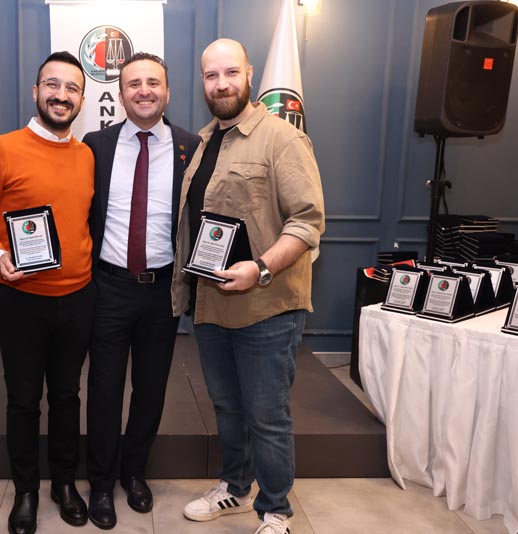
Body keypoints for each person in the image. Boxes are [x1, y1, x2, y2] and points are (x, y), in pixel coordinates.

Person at [173, 39, 325, 534]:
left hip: (267, 306)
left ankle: (276, 511)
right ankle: (236, 489)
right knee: (228, 408)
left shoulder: (282, 139)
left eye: (230, 73)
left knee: (267, 416)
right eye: (211, 75)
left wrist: (259, 268)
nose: (221, 84)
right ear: (202, 81)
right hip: (211, 305)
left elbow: (307, 222)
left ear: (250, 73)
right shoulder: (204, 143)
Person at [0, 51, 95, 534]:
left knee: (66, 397)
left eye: (72, 88)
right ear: (36, 92)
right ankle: (25, 491)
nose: (61, 95)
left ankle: (64, 483)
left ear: (82, 99)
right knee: (23, 401)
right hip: (21, 302)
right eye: (52, 85)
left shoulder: (87, 156)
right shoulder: (0, 149)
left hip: (78, 298)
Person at [82, 52, 199, 530]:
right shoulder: (96, 145)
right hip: (109, 287)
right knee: (104, 390)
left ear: (167, 92)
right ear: (120, 93)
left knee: (151, 389)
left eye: (153, 82)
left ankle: (135, 472)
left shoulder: (192, 147)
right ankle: (101, 482)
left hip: (162, 291)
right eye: (134, 83)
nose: (144, 90)